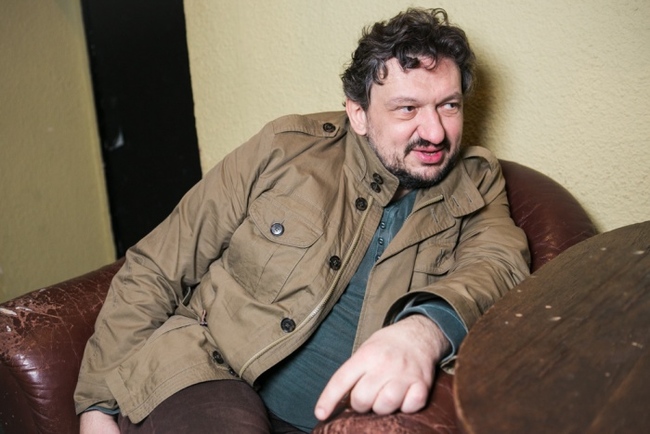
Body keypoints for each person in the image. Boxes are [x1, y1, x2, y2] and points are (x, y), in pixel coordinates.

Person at [75, 7, 530, 433]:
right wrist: (96, 405)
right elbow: (157, 266)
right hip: (207, 370)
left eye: (449, 106)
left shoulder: (476, 180)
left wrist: (423, 332)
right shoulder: (285, 149)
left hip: (339, 419)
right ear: (359, 114)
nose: (434, 132)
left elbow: (498, 263)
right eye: (407, 109)